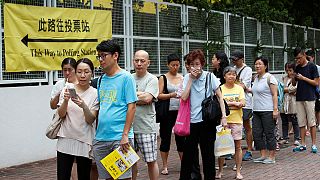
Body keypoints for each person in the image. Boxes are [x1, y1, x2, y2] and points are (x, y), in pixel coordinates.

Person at [93, 39, 138, 180]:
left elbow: (132, 106)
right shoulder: (101, 80)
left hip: (119, 138)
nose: (101, 59)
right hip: (101, 138)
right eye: (99, 56)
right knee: (107, 178)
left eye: (104, 55)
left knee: (122, 178)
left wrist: (125, 135)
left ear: (115, 55)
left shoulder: (126, 78)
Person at [179, 49, 227, 180]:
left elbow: (220, 97)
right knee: (188, 156)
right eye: (192, 64)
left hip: (207, 122)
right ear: (188, 65)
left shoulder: (209, 77)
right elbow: (183, 97)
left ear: (202, 64)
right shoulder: (186, 78)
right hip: (191, 122)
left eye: (197, 64)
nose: (195, 67)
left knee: (208, 156)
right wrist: (190, 80)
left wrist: (224, 116)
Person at [56, 58, 99, 180]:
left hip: (84, 141)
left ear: (92, 73)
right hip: (65, 139)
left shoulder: (95, 93)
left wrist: (83, 105)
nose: (83, 75)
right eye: (79, 72)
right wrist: (65, 100)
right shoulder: (67, 89)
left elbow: (90, 120)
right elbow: (61, 114)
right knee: (62, 176)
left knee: (84, 176)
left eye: (86, 72)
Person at [131, 50, 159, 180]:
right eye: (136, 60)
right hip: (129, 128)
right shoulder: (128, 78)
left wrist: (131, 97)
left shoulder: (152, 79)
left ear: (148, 63)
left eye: (142, 61)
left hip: (146, 127)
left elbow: (148, 99)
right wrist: (141, 95)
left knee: (151, 161)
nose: (139, 63)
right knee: (130, 161)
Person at [157, 53, 185, 176]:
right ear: (168, 65)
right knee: (165, 138)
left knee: (181, 138)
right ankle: (164, 166)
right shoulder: (163, 78)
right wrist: (171, 95)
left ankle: (184, 164)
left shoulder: (183, 77)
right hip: (167, 112)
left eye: (177, 65)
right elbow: (158, 95)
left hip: (180, 112)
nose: (175, 67)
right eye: (173, 65)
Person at [216, 66, 245, 180]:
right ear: (224, 76)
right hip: (224, 121)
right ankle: (220, 171)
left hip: (237, 121)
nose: (232, 76)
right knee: (222, 147)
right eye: (229, 74)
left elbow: (242, 103)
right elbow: (219, 105)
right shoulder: (220, 89)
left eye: (233, 74)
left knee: (238, 146)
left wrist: (228, 103)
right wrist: (234, 103)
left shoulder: (239, 89)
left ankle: (238, 171)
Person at [292, 47, 319, 153]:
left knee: (311, 122)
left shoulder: (312, 66)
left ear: (304, 55)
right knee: (301, 122)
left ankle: (313, 144)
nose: (298, 60)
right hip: (299, 97)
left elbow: (316, 83)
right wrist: (294, 77)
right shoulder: (297, 67)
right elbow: (294, 84)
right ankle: (303, 144)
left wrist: (303, 78)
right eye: (296, 59)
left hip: (310, 97)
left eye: (299, 58)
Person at [251, 56, 278, 164]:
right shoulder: (255, 78)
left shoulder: (269, 78)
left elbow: (274, 94)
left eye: (260, 64)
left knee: (269, 133)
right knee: (257, 133)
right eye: (256, 64)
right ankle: (263, 155)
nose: (257, 66)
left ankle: (272, 157)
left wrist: (275, 109)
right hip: (256, 110)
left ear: (265, 66)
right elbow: (255, 91)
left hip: (268, 110)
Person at [230, 50, 254, 161]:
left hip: (245, 103)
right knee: (233, 126)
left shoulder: (247, 70)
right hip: (233, 102)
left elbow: (243, 85)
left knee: (246, 126)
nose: (234, 61)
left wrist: (233, 86)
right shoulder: (233, 69)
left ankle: (249, 149)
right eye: (233, 60)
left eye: (236, 59)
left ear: (242, 59)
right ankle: (233, 150)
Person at [280, 62, 300, 146]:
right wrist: (287, 90)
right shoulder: (283, 77)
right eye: (287, 70)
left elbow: (294, 89)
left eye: (290, 70)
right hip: (284, 101)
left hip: (293, 102)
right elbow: (280, 88)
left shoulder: (297, 78)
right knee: (284, 121)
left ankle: (297, 138)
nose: (289, 72)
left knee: (294, 121)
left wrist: (285, 90)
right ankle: (285, 137)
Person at [306, 49, 320, 132]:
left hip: (316, 91)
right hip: (308, 91)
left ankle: (318, 123)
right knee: (309, 109)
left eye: (309, 58)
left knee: (317, 109)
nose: (308, 60)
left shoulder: (317, 68)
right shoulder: (304, 67)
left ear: (313, 58)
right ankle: (308, 126)